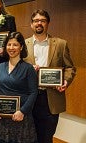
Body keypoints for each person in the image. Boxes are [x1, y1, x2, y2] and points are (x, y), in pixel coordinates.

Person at [24, 9, 76, 143]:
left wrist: (65, 80)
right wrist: (29, 69)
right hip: (30, 98)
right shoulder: (23, 45)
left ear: (48, 23)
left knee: (46, 137)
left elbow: (70, 67)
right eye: (36, 21)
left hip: (51, 98)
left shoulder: (60, 44)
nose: (39, 23)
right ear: (31, 24)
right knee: (29, 136)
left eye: (43, 21)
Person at [0, 32, 38, 143]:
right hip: (3, 117)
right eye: (9, 44)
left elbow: (33, 92)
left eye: (15, 45)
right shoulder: (0, 66)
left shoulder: (28, 68)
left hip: (21, 117)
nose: (11, 48)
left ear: (21, 47)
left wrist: (22, 111)